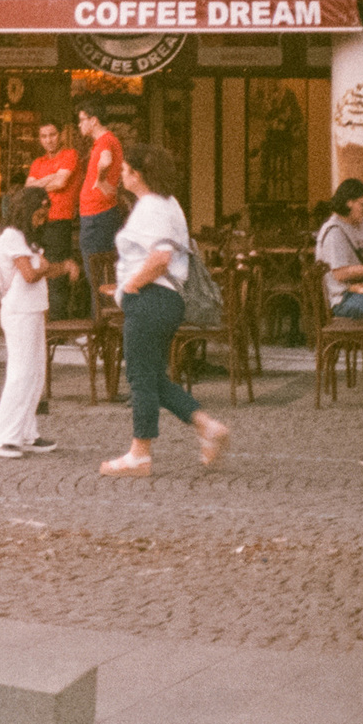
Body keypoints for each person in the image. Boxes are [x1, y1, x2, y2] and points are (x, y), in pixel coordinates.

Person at [98, 143, 227, 477]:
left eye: (125, 169)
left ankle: (140, 453)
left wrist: (131, 285)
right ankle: (207, 426)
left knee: (140, 377)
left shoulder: (151, 207)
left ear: (137, 174)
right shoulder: (169, 204)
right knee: (154, 377)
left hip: (150, 298)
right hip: (166, 300)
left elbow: (160, 257)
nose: (122, 174)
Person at [0, 185, 68, 459]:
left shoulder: (26, 238)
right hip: (19, 311)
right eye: (40, 212)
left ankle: (26, 432)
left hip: (32, 310)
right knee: (21, 372)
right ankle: (3, 437)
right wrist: (47, 267)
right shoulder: (11, 237)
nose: (42, 217)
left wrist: (62, 268)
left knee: (35, 373)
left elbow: (41, 271)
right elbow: (30, 275)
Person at [25, 121, 82, 315]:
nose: (49, 140)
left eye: (52, 135)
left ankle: (59, 328)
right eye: (44, 136)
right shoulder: (37, 162)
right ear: (39, 139)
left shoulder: (69, 155)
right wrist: (51, 178)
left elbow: (61, 182)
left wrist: (43, 182)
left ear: (60, 135)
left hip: (59, 221)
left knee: (57, 273)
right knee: (39, 270)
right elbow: (28, 189)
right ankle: (45, 322)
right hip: (38, 223)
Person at [73, 101, 127, 300]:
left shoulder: (105, 141)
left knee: (96, 276)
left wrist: (100, 178)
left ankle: (101, 323)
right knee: (101, 274)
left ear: (93, 120)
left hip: (97, 215)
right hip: (99, 213)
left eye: (81, 120)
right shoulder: (107, 140)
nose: (79, 125)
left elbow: (105, 160)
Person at [315, 179, 363, 319]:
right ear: (348, 202)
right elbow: (340, 274)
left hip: (361, 292)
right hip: (343, 299)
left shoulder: (362, 227)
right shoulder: (334, 232)